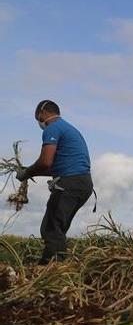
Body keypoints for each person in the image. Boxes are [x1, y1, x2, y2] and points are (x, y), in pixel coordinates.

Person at [15, 100, 94, 264]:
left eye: (37, 117)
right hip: (82, 183)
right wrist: (29, 172)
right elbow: (55, 167)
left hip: (70, 184)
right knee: (57, 227)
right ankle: (54, 265)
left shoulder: (52, 128)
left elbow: (45, 162)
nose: (38, 121)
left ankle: (53, 270)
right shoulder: (69, 128)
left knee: (51, 228)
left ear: (42, 113)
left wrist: (26, 172)